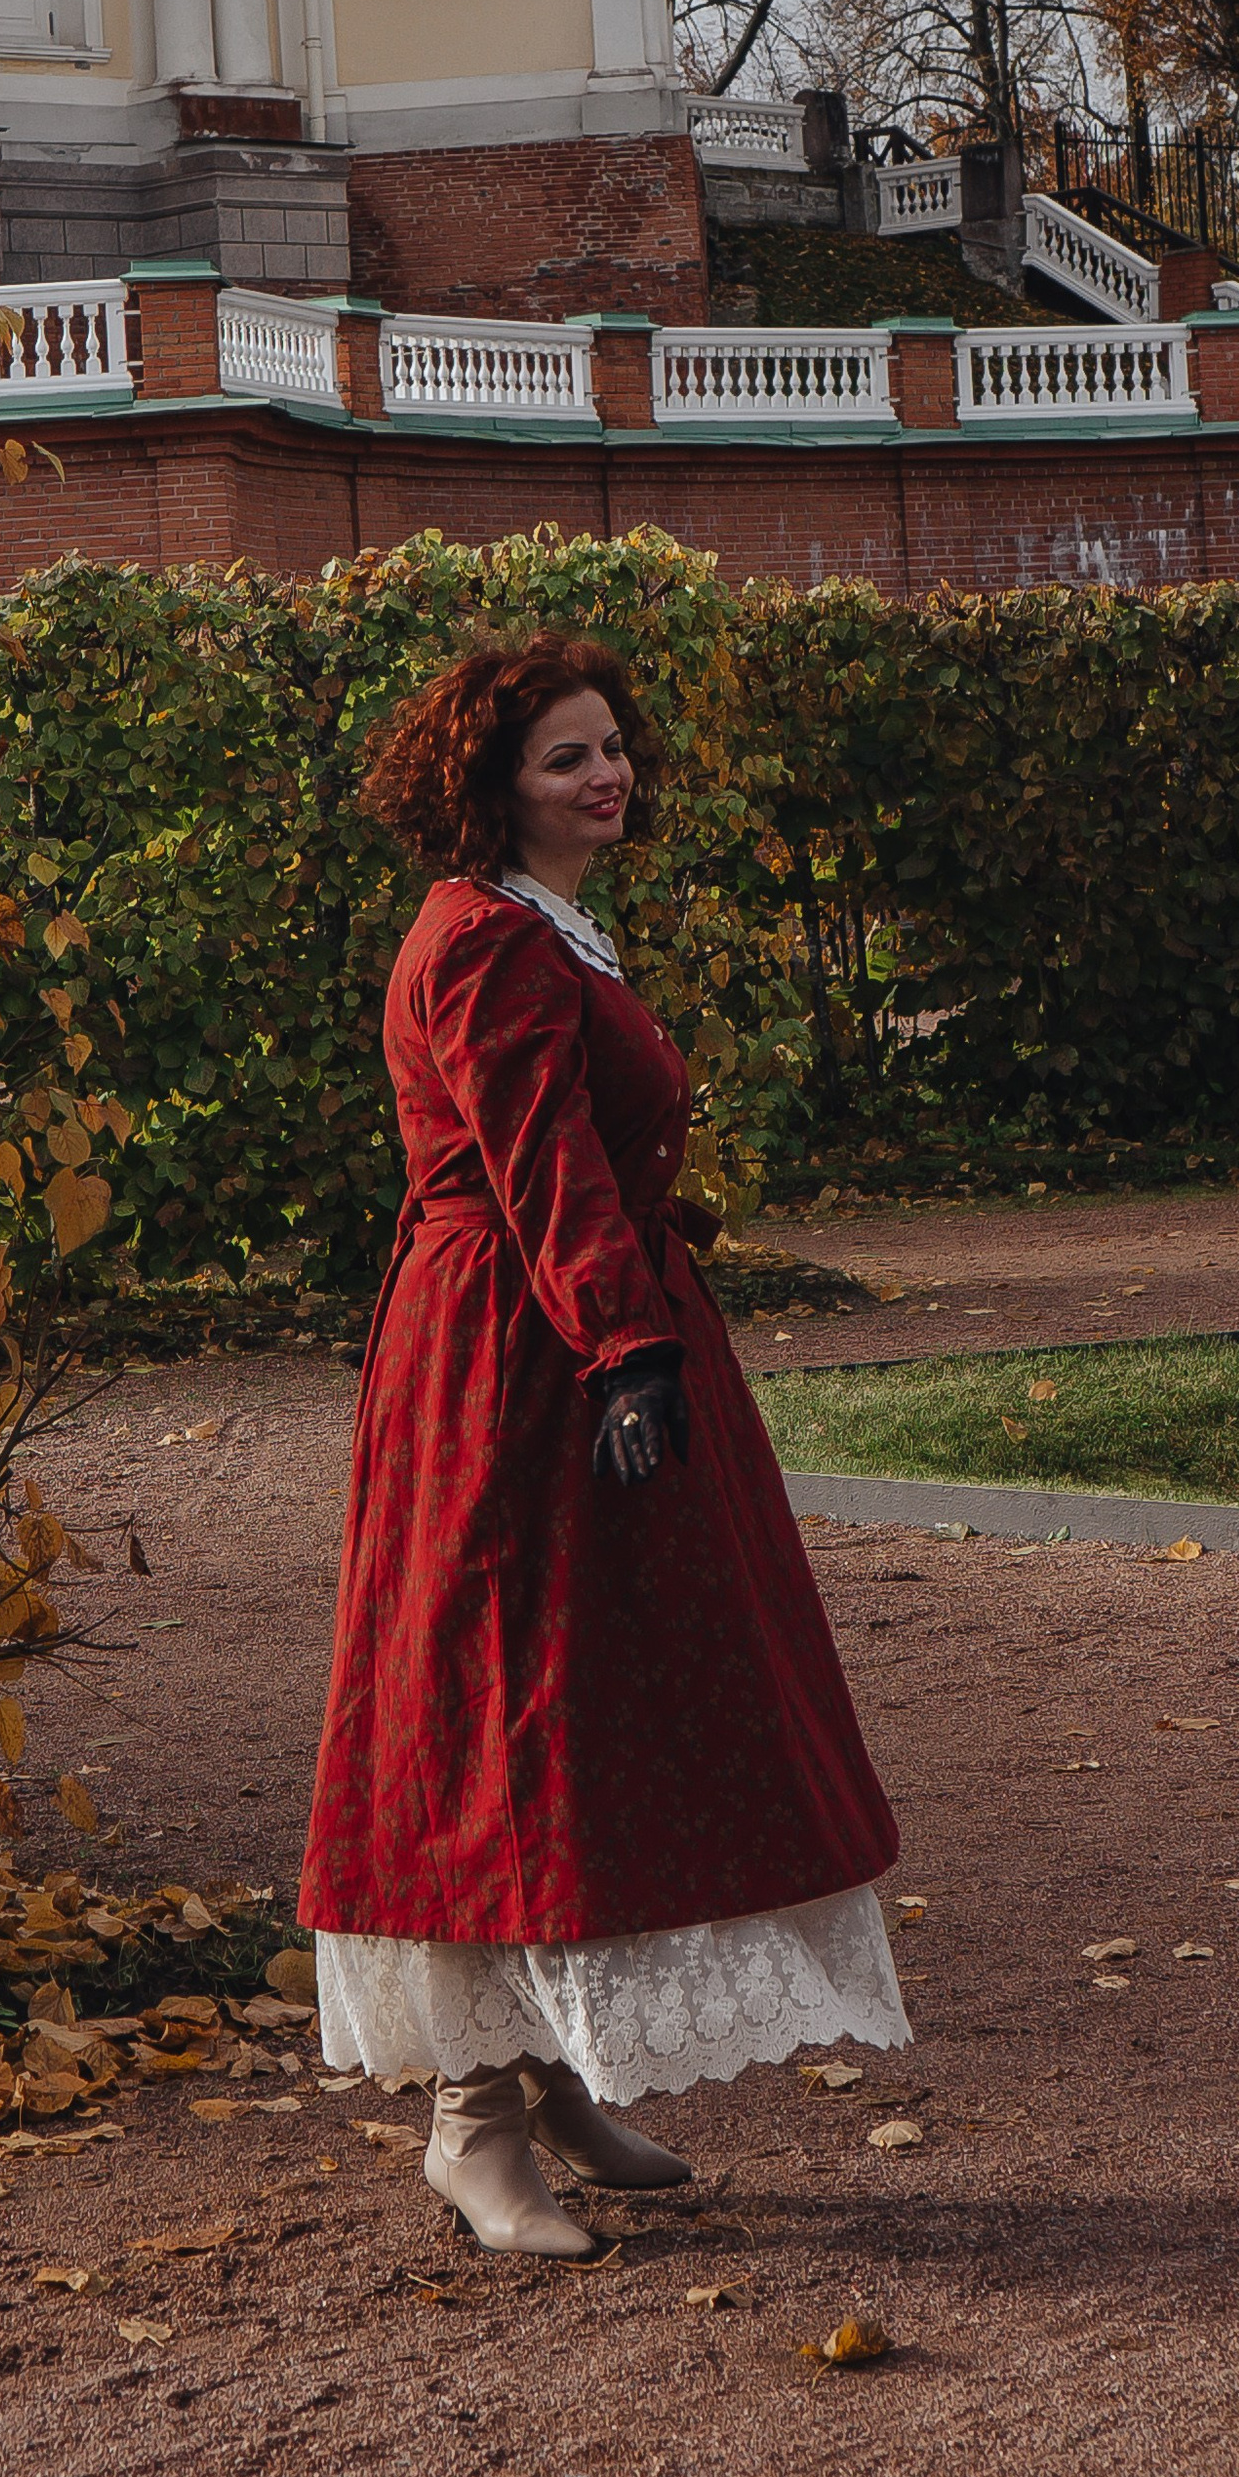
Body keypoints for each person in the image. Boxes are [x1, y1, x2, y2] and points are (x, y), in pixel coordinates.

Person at [299, 633, 909, 2259]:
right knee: (499, 1713)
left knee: (589, 1710)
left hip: (562, 1331)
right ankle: (472, 2123)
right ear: (493, 784)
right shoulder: (485, 940)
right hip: (515, 1359)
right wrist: (624, 1345)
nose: (606, 774)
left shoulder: (545, 924)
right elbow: (541, 1164)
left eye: (613, 747)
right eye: (567, 756)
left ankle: (554, 2074)